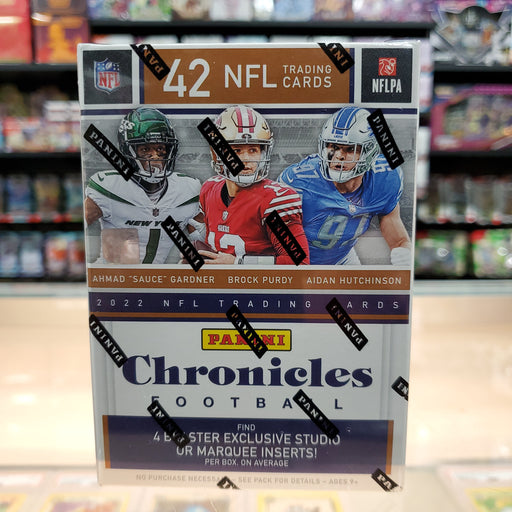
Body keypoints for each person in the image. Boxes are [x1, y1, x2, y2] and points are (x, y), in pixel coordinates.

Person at [278, 106, 411, 266]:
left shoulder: (385, 177)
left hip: (342, 258)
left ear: (369, 152)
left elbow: (399, 240)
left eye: (350, 149)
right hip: (297, 261)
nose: (339, 156)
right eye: (333, 146)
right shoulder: (299, 180)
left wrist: (404, 253)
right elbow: (273, 233)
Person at [84, 107, 204, 264]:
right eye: (145, 149)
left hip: (156, 278)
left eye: (160, 148)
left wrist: (194, 260)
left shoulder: (188, 189)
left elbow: (203, 243)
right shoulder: (109, 187)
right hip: (115, 276)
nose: (155, 156)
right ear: (129, 151)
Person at [198, 105, 309, 265]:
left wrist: (239, 263)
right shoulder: (209, 189)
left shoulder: (274, 200)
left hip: (260, 282)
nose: (246, 159)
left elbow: (299, 263)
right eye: (236, 150)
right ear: (218, 154)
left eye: (253, 150)